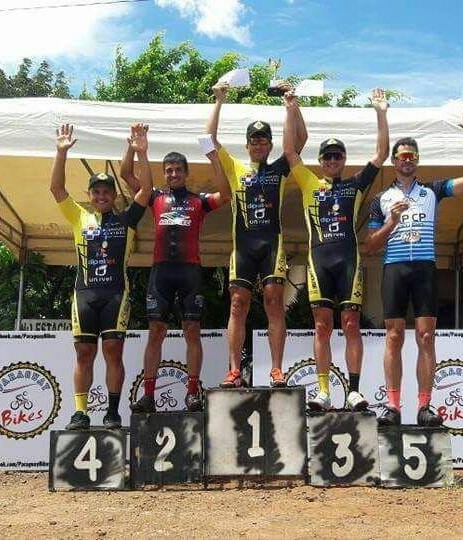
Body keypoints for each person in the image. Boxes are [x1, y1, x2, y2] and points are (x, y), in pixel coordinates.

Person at [366, 108, 463, 426]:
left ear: (417, 161)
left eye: (412, 155)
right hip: (394, 268)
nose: (407, 159)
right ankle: (392, 406)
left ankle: (424, 407)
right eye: (402, 155)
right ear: (394, 161)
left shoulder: (432, 191)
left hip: (424, 269)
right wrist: (392, 220)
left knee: (426, 337)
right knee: (393, 336)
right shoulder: (380, 197)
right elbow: (371, 245)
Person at [284, 89, 389, 411]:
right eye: (327, 156)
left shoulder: (354, 184)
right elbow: (289, 151)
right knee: (321, 325)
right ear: (320, 161)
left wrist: (380, 112)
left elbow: (382, 154)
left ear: (343, 160)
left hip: (347, 260)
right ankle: (323, 391)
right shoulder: (308, 182)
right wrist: (291, 108)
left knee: (352, 324)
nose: (331, 160)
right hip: (319, 260)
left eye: (337, 156)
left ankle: (354, 390)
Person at [50, 123, 152, 430]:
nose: (102, 195)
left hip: (116, 296)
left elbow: (146, 190)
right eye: (97, 191)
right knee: (84, 352)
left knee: (112, 352)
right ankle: (80, 412)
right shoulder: (79, 216)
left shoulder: (127, 219)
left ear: (113, 195)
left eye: (107, 191)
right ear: (91, 195)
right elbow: (57, 189)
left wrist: (141, 153)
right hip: (84, 295)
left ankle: (112, 412)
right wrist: (61, 152)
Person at [206, 81, 307, 388]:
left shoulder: (279, 168)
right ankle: (234, 370)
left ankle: (277, 370)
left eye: (264, 141)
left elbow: (300, 140)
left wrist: (292, 106)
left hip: (272, 246)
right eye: (255, 141)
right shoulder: (236, 169)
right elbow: (208, 140)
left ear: (270, 145)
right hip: (243, 248)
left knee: (274, 304)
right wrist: (219, 101)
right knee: (238, 304)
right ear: (248, 144)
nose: (259, 145)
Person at [123, 130, 231, 412]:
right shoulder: (154, 196)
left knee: (192, 330)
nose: (172, 174)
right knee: (155, 331)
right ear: (164, 174)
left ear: (186, 173)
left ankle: (193, 392)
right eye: (168, 170)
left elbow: (227, 195)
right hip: (161, 272)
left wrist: (214, 159)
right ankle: (148, 396)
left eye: (177, 170)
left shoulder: (199, 200)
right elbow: (125, 174)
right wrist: (135, 149)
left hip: (190, 272)